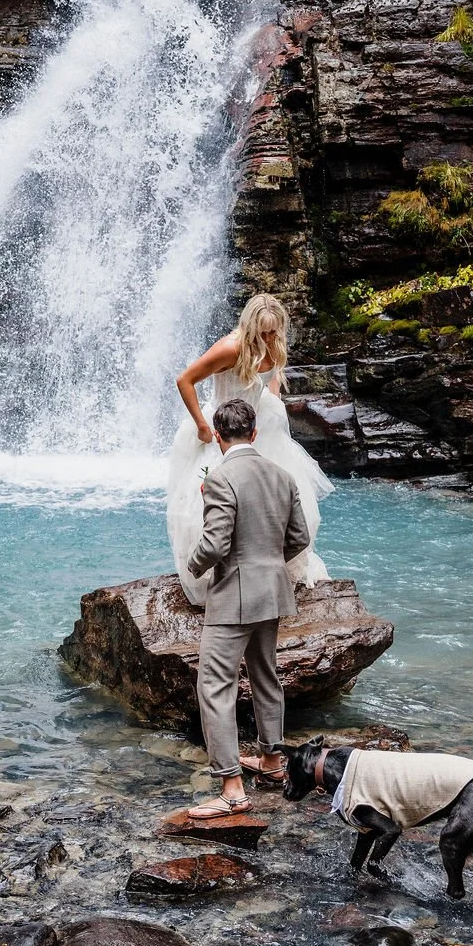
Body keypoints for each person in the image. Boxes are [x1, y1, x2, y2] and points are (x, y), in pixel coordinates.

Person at [185, 397, 310, 818]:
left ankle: (232, 787)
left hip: (234, 595)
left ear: (219, 437)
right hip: (272, 592)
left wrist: (192, 563)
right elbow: (300, 538)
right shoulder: (282, 475)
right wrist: (269, 564)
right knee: (265, 674)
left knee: (215, 686)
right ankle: (273, 761)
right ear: (253, 433)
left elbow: (216, 543)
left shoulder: (221, 478)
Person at [167, 293, 332, 606]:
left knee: (287, 500)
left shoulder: (274, 342)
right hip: (225, 429)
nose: (270, 338)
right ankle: (218, 579)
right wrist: (203, 426)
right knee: (213, 506)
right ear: (250, 325)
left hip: (260, 427)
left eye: (274, 332)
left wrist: (271, 398)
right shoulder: (231, 347)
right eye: (264, 332)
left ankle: (273, 571)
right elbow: (185, 379)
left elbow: (273, 374)